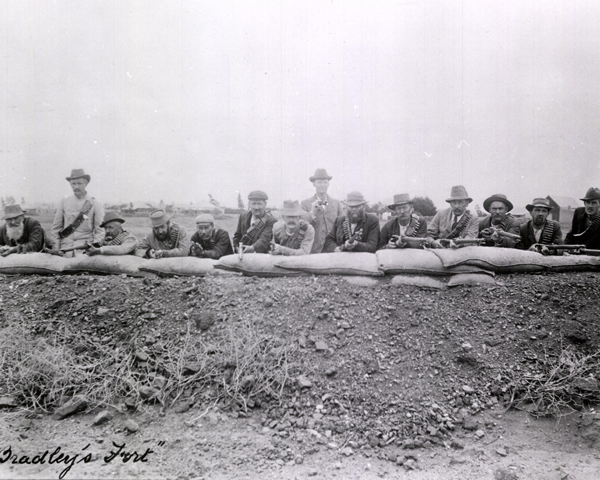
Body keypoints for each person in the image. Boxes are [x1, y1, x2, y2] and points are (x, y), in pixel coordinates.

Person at [51, 169, 104, 256]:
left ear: (86, 184)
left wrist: (94, 249)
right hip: (65, 250)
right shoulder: (63, 202)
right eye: (73, 184)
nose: (76, 187)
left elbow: (100, 231)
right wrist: (56, 249)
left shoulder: (95, 204)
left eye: (79, 183)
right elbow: (56, 228)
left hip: (84, 250)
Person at [301, 169, 343, 253]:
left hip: (333, 250)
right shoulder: (305, 204)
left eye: (325, 182)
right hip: (314, 249)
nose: (322, 185)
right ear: (314, 184)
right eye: (319, 182)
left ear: (328, 184)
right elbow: (301, 225)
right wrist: (312, 212)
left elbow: (342, 225)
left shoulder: (336, 203)